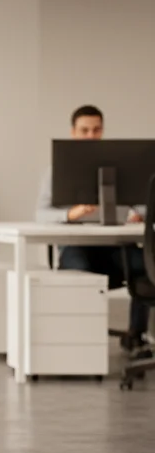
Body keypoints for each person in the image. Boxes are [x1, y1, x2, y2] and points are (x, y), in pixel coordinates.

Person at [36, 105, 147, 343]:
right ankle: (83, 341)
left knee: (148, 264)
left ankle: (136, 335)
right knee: (79, 276)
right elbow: (40, 215)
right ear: (73, 132)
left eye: (96, 130)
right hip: (76, 247)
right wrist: (70, 215)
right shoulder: (56, 171)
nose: (90, 136)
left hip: (116, 248)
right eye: (84, 130)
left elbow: (144, 205)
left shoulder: (121, 168)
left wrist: (139, 214)